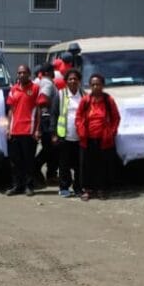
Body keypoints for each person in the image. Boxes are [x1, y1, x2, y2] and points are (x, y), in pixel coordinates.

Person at [75, 73, 121, 201]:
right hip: (87, 138)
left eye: (98, 84)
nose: (96, 87)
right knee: (87, 165)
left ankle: (102, 189)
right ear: (90, 86)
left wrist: (112, 132)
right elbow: (78, 118)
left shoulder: (108, 100)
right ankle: (87, 189)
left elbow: (116, 118)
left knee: (103, 165)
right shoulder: (85, 100)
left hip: (104, 139)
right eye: (93, 84)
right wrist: (80, 130)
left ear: (102, 85)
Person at [5, 64, 47, 196]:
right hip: (15, 131)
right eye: (19, 73)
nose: (21, 75)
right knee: (15, 161)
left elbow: (40, 110)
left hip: (29, 131)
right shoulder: (13, 89)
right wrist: (8, 128)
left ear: (29, 74)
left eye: (24, 72)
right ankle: (17, 186)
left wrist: (38, 129)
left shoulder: (36, 88)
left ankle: (29, 186)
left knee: (28, 161)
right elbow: (11, 110)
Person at [50, 69, 85, 198]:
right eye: (70, 79)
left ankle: (78, 188)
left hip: (80, 136)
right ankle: (64, 187)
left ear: (79, 81)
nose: (73, 81)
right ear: (66, 81)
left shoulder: (84, 95)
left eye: (75, 79)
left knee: (79, 165)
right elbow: (54, 114)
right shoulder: (60, 94)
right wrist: (53, 133)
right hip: (64, 136)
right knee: (64, 164)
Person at [34, 64, 58, 186]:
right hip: (47, 120)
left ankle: (51, 176)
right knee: (50, 149)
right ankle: (35, 168)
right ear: (48, 72)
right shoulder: (47, 83)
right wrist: (49, 108)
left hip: (45, 120)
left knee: (51, 150)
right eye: (53, 71)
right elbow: (42, 100)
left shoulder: (39, 81)